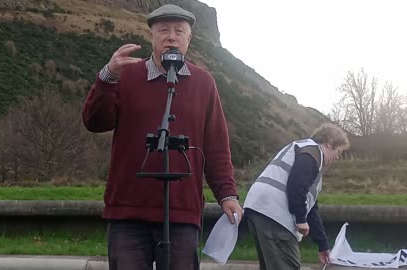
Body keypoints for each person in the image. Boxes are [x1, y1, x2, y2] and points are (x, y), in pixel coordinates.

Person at [82, 4, 243, 270]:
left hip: (181, 213)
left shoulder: (204, 83)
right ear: (152, 37)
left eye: (179, 31)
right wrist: (107, 76)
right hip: (128, 212)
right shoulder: (127, 76)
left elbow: (216, 146)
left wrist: (227, 194)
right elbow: (94, 122)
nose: (171, 37)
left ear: (189, 39)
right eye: (163, 30)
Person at [243, 123, 350, 270]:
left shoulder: (304, 152)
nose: (337, 157)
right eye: (338, 151)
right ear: (330, 143)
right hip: (275, 214)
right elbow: (296, 185)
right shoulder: (312, 153)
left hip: (259, 209)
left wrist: (322, 245)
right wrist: (300, 219)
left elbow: (311, 209)